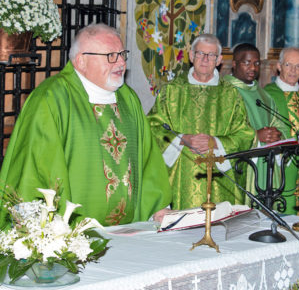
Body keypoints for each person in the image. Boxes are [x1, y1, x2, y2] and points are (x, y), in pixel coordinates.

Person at [0, 23, 172, 228]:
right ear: (81, 61)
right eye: (110, 55)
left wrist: (158, 207)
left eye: (122, 54)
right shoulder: (52, 99)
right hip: (71, 237)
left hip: (128, 233)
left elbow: (147, 159)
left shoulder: (128, 99)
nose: (120, 63)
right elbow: (35, 168)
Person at [148, 34, 254, 210]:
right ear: (191, 56)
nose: (205, 59)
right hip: (180, 176)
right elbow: (153, 126)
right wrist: (182, 139)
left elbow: (245, 133)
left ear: (219, 60)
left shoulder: (230, 94)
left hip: (220, 180)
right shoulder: (172, 91)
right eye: (200, 54)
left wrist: (216, 142)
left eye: (211, 55)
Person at [223, 43, 284, 206]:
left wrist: (276, 135)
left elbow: (276, 122)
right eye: (247, 62)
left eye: (257, 63)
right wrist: (255, 136)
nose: (253, 68)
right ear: (234, 64)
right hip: (242, 166)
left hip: (266, 164)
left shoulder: (264, 95)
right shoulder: (225, 91)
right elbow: (223, 130)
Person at [264, 48, 299, 214]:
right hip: (278, 164)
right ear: (279, 66)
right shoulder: (267, 94)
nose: (293, 70)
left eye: (298, 66)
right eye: (289, 65)